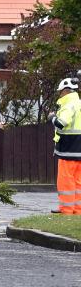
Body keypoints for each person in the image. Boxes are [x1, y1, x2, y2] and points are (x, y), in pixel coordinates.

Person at [51, 77, 81, 214]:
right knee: (78, 182)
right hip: (79, 151)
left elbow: (61, 123)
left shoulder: (69, 105)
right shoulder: (79, 103)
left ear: (65, 91)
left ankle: (66, 209)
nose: (59, 94)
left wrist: (52, 117)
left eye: (60, 92)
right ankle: (77, 210)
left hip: (68, 150)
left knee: (65, 181)